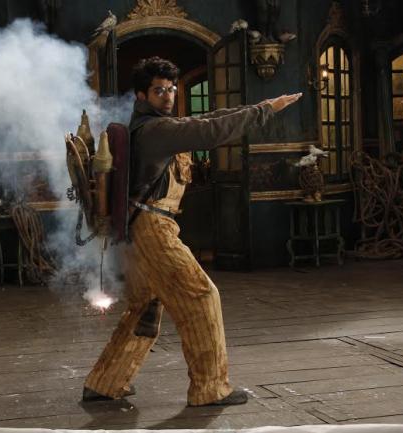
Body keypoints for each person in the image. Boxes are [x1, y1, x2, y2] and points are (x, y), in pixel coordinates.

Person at [83, 56, 302, 406]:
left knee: (144, 307)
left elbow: (207, 119)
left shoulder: (155, 126)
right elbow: (210, 131)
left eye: (171, 89)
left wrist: (261, 106)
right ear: (141, 96)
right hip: (152, 230)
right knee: (201, 296)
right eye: (159, 90)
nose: (168, 96)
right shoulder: (156, 132)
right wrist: (266, 110)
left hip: (137, 231)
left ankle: (105, 382)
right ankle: (210, 388)